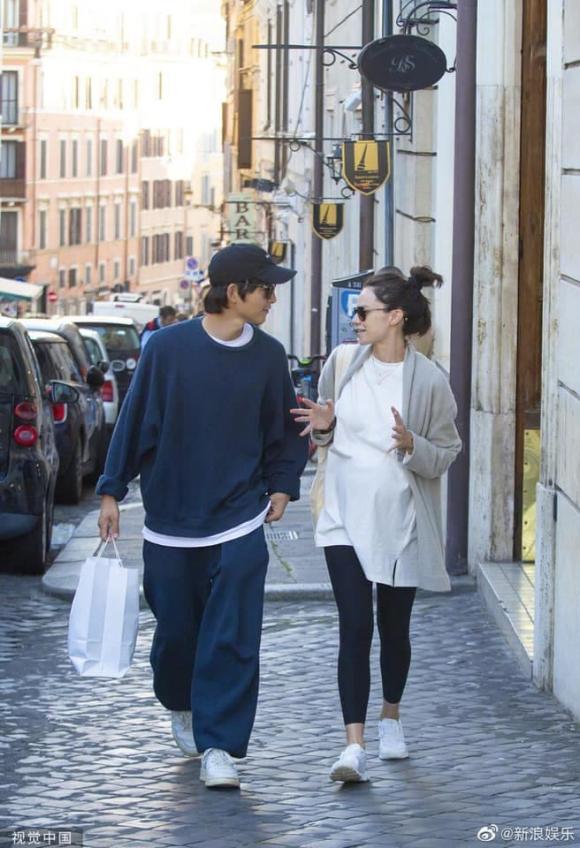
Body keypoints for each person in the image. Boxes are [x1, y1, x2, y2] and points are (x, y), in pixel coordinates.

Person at [97, 243, 308, 789]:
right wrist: (110, 491)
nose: (272, 299)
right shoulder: (167, 349)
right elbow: (134, 419)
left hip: (240, 516)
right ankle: (182, 702)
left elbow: (283, 428)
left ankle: (220, 745)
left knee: (234, 634)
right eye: (266, 289)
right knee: (177, 633)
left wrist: (283, 485)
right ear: (233, 292)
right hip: (171, 519)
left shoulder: (268, 354)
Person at [291, 266, 461, 783]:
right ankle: (353, 747)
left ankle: (391, 716)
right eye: (353, 311)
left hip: (399, 524)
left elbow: (446, 453)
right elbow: (326, 436)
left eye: (362, 311)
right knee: (355, 626)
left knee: (393, 626)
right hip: (341, 516)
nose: (354, 319)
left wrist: (413, 446)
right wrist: (324, 429)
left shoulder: (429, 380)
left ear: (396, 317)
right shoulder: (342, 363)